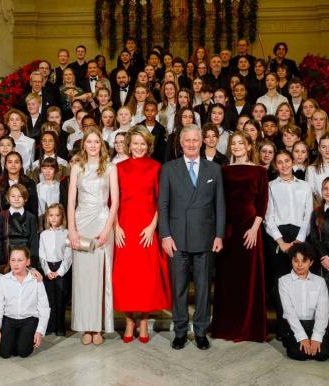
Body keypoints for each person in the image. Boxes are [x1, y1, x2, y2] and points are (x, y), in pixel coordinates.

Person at [158, 124, 225, 351]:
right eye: (187, 140)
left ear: (202, 141)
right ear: (181, 143)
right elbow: (163, 205)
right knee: (179, 289)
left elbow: (220, 205)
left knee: (204, 289)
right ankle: (179, 331)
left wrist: (219, 234)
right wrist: (165, 235)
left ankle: (200, 331)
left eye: (195, 140)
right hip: (177, 240)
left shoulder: (214, 169)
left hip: (205, 239)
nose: (191, 144)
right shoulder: (169, 168)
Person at [113, 127, 170, 344]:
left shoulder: (156, 167)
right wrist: (116, 227)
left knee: (146, 277)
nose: (138, 147)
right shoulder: (118, 168)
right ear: (128, 144)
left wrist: (152, 226)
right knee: (127, 276)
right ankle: (129, 320)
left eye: (143, 144)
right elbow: (112, 200)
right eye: (135, 143)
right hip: (124, 228)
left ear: (148, 145)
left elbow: (160, 201)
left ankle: (144, 321)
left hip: (146, 228)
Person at [212, 132, 268, 343]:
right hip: (227, 230)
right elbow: (218, 201)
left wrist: (254, 229)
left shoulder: (259, 171)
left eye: (240, 143)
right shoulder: (223, 170)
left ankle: (247, 328)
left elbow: (262, 203)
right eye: (233, 143)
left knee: (248, 279)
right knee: (228, 280)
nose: (236, 146)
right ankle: (226, 327)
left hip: (249, 230)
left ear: (248, 145)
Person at [68, 128, 119, 346]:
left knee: (101, 276)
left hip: (102, 222)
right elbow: (71, 200)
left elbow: (115, 201)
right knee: (83, 277)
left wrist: (108, 229)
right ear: (84, 144)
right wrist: (71, 229)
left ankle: (98, 327)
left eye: (96, 142)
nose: (92, 145)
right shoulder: (76, 167)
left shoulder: (110, 167)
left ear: (101, 145)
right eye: (89, 141)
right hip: (81, 222)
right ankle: (84, 326)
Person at [265, 150, 313, 336]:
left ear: (292, 162)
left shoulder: (305, 186)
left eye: (287, 161)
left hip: (300, 236)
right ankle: (282, 326)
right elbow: (269, 216)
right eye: (280, 162)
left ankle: (299, 326)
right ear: (275, 165)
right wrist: (281, 242)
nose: (284, 165)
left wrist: (299, 241)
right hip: (278, 237)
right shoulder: (270, 186)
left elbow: (308, 214)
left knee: (298, 280)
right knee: (280, 282)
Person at [0, 247, 50, 359]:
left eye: (20, 260)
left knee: (23, 352)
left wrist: (39, 331)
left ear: (28, 262)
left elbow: (44, 307)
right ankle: (15, 338)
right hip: (9, 319)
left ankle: (22, 338)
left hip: (29, 319)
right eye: (13, 260)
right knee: (4, 353)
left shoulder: (36, 280)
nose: (15, 264)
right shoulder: (3, 280)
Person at [278, 244, 329, 361]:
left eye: (304, 261)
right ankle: (294, 342)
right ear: (291, 261)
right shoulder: (283, 281)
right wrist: (302, 337)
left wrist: (316, 337)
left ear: (311, 262)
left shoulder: (320, 282)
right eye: (296, 261)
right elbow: (289, 311)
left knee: (323, 354)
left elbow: (323, 311)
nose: (299, 265)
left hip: (313, 323)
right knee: (299, 354)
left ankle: (312, 342)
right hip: (293, 324)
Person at [39, 204, 72, 337]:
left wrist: (59, 272)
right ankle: (50, 326)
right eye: (51, 215)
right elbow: (41, 255)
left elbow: (68, 255)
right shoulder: (43, 234)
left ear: (62, 217)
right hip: (48, 268)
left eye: (57, 215)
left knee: (61, 299)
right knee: (49, 299)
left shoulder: (67, 233)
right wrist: (47, 271)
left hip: (61, 268)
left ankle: (60, 327)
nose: (54, 218)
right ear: (47, 217)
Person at [0, 184, 39, 269]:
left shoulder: (31, 217)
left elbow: (34, 241)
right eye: (13, 196)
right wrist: (1, 260)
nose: (16, 199)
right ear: (8, 198)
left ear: (25, 199)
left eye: (20, 196)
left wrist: (32, 263)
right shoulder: (2, 216)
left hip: (25, 261)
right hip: (6, 260)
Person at [0, 152, 38, 219]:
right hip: (4, 223)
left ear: (21, 165)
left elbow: (34, 208)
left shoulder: (29, 183)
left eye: (16, 162)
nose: (13, 165)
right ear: (6, 165)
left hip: (24, 223)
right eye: (10, 162)